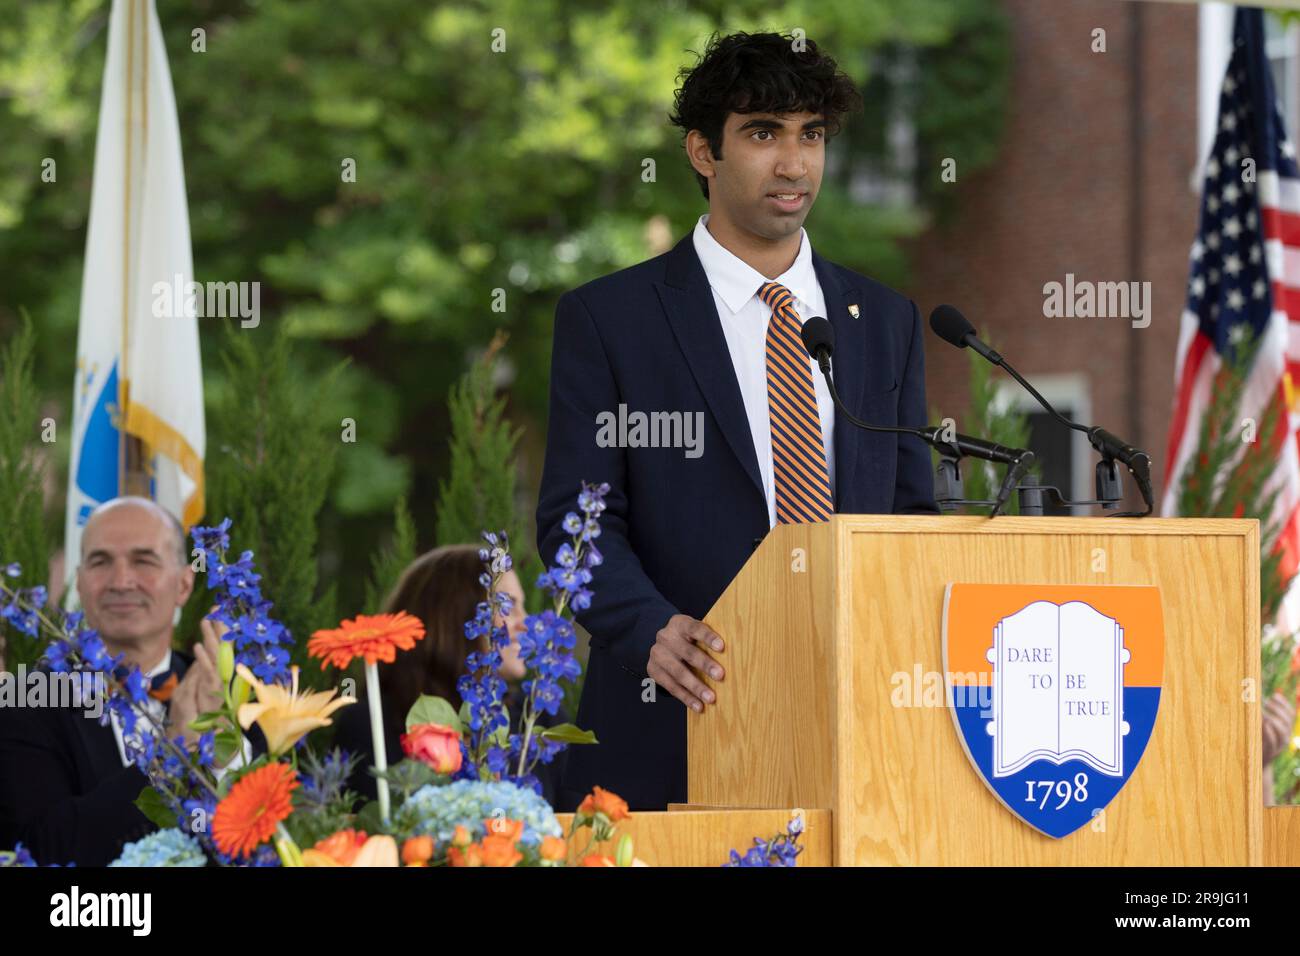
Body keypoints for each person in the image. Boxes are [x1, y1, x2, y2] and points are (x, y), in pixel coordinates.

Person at [535, 31, 938, 811]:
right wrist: (649, 628)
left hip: (857, 744)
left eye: (810, 135)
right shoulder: (610, 319)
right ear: (701, 151)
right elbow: (574, 522)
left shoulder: (886, 320)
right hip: (669, 731)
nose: (794, 165)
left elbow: (910, 518)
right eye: (763, 134)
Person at [0, 497, 229, 865]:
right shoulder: (26, 699)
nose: (121, 581)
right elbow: (42, 848)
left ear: (184, 584)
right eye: (100, 561)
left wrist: (225, 756)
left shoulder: (228, 695)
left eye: (144, 560)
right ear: (80, 583)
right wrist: (168, 757)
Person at [331, 544, 567, 803]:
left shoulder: (542, 718)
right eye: (508, 607)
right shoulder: (371, 724)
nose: (526, 623)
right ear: (455, 617)